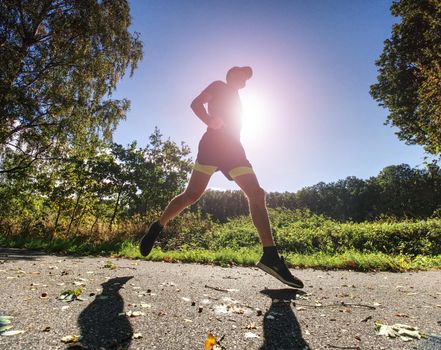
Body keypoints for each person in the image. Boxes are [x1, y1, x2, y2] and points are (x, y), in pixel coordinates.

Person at [140, 66, 303, 289]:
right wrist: (209, 120)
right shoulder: (218, 86)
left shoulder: (238, 98)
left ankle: (270, 256)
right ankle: (157, 227)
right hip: (212, 145)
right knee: (191, 195)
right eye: (242, 76)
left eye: (247, 78)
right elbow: (196, 103)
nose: (245, 81)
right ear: (231, 75)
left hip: (233, 149)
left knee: (257, 193)